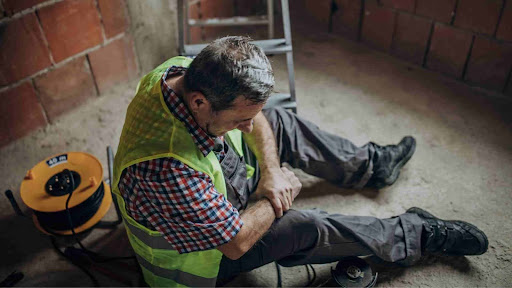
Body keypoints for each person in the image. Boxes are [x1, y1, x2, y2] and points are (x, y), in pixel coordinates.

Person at [112, 36, 488, 287]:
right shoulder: (166, 170)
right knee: (304, 224)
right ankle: (418, 232)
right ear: (198, 102)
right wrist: (278, 197)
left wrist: (272, 173)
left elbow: (256, 117)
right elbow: (236, 242)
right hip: (200, 259)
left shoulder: (184, 72)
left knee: (278, 123)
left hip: (212, 191)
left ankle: (370, 166)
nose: (247, 124)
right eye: (238, 118)